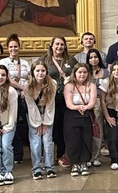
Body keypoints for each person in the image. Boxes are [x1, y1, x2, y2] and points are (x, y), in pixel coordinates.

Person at [24, 60, 58, 180]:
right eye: (37, 70)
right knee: (36, 142)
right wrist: (38, 123)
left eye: (42, 70)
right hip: (34, 114)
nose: (40, 73)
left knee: (48, 141)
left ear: (46, 72)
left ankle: (49, 167)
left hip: (48, 113)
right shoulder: (27, 85)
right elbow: (31, 106)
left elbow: (50, 105)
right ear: (33, 72)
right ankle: (36, 168)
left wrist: (46, 123)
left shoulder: (52, 84)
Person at [1, 35, 31, 166]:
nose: (13, 49)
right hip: (11, 96)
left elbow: (30, 77)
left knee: (29, 123)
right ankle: (17, 154)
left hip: (25, 96)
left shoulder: (24, 63)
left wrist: (27, 89)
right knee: (13, 123)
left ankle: (34, 153)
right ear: (8, 48)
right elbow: (7, 79)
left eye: (16, 46)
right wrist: (22, 87)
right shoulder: (3, 62)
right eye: (11, 47)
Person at [45, 36, 74, 166]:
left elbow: (79, 74)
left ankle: (62, 154)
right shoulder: (44, 60)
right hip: (51, 99)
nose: (59, 47)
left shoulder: (71, 60)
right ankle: (51, 155)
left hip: (67, 99)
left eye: (62, 44)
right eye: (57, 44)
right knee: (53, 127)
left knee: (65, 127)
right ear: (51, 45)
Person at [64, 62, 97, 176]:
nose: (82, 75)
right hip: (72, 116)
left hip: (86, 115)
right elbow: (69, 103)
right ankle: (75, 163)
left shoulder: (91, 85)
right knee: (73, 140)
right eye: (80, 72)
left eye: (84, 72)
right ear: (75, 73)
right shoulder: (69, 86)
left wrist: (85, 107)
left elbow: (92, 101)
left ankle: (84, 162)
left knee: (86, 139)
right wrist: (78, 107)